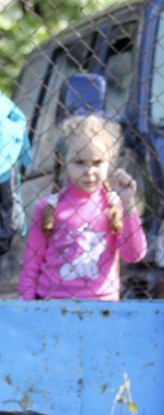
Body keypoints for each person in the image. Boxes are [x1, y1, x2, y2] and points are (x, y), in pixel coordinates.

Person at [18, 113, 147, 301]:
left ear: (109, 161)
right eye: (79, 162)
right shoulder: (48, 207)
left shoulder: (114, 206)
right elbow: (31, 266)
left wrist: (128, 204)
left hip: (103, 308)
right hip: (52, 305)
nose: (89, 171)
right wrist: (26, 308)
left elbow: (133, 255)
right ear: (64, 162)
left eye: (97, 162)